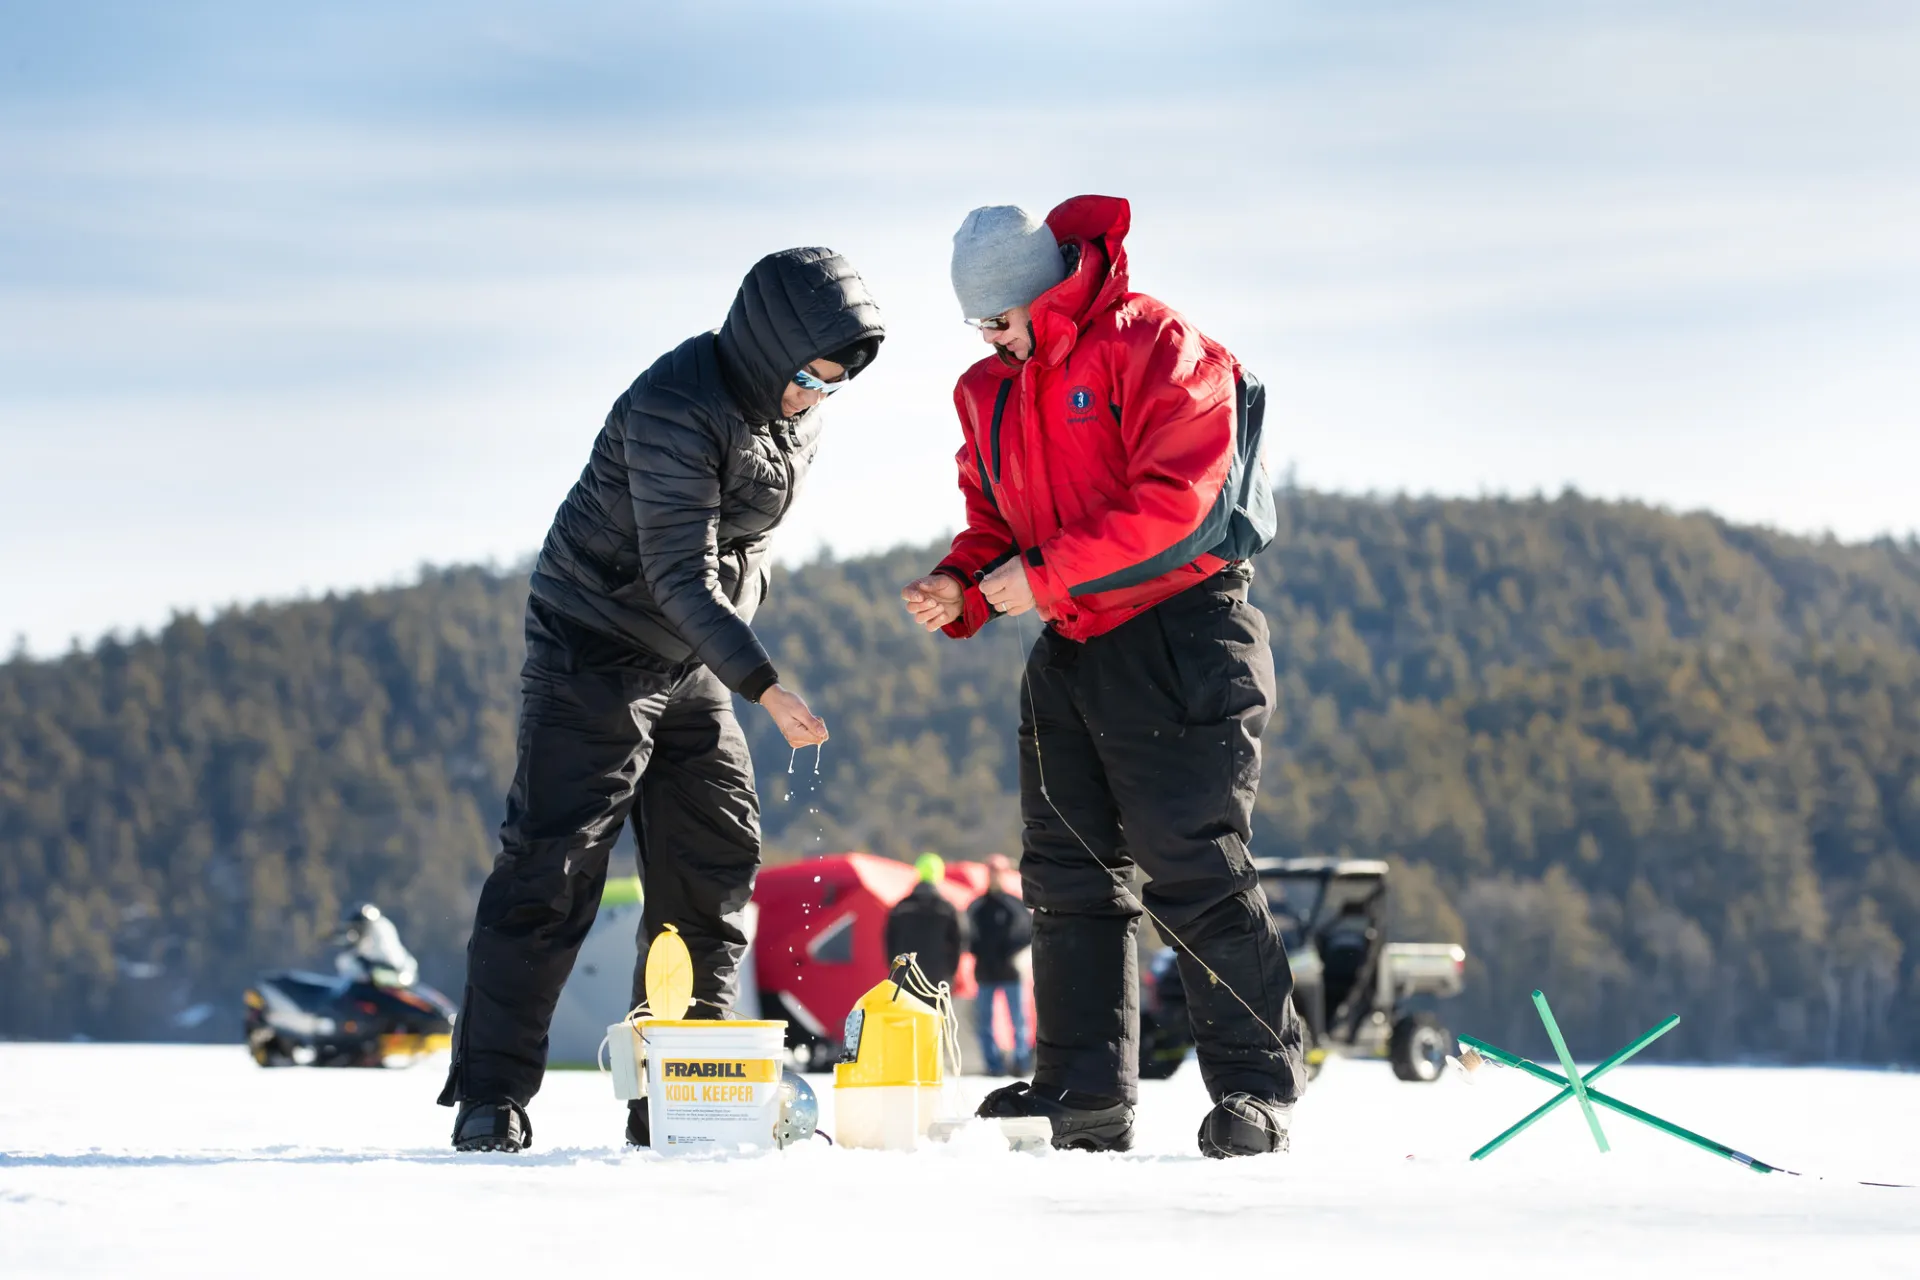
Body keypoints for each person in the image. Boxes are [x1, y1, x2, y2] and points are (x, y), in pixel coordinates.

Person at [441, 248, 885, 1153]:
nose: (813, 398)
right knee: (556, 868)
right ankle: (491, 1096)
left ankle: (681, 1097)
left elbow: (739, 548)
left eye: (832, 386)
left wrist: (733, 650)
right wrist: (763, 683)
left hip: (688, 660)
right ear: (769, 348)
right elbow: (679, 571)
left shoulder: (789, 413)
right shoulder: (676, 406)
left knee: (714, 861)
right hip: (594, 645)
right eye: (806, 377)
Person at [899, 197, 1305, 1157]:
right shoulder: (986, 389)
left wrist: (1029, 580)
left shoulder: (1155, 344)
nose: (990, 339)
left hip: (1183, 631)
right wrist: (962, 583)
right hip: (1071, 644)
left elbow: (1178, 499)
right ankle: (1081, 1092)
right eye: (978, 325)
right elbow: (994, 522)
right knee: (1066, 876)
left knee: (1193, 862)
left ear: (1045, 293)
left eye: (1000, 318)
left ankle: (1258, 1091)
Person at [966, 854, 1033, 1076]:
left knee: (1018, 1020)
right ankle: (993, 1064)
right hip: (985, 971)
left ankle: (1021, 1063)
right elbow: (968, 935)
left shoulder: (1014, 904)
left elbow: (1028, 932)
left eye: (999, 870)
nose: (995, 875)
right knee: (985, 1022)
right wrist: (980, 952)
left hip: (1010, 970)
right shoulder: (978, 905)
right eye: (991, 870)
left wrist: (1009, 952)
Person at [883, 852, 966, 992]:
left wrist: (896, 968)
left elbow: (889, 940)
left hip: (906, 975)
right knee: (936, 1013)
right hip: (938, 976)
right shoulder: (947, 909)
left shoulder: (902, 907)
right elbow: (959, 942)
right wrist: (950, 972)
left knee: (907, 1013)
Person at [332, 903, 419, 988]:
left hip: (393, 975)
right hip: (375, 980)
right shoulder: (349, 958)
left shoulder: (381, 927)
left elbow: (391, 956)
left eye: (360, 926)